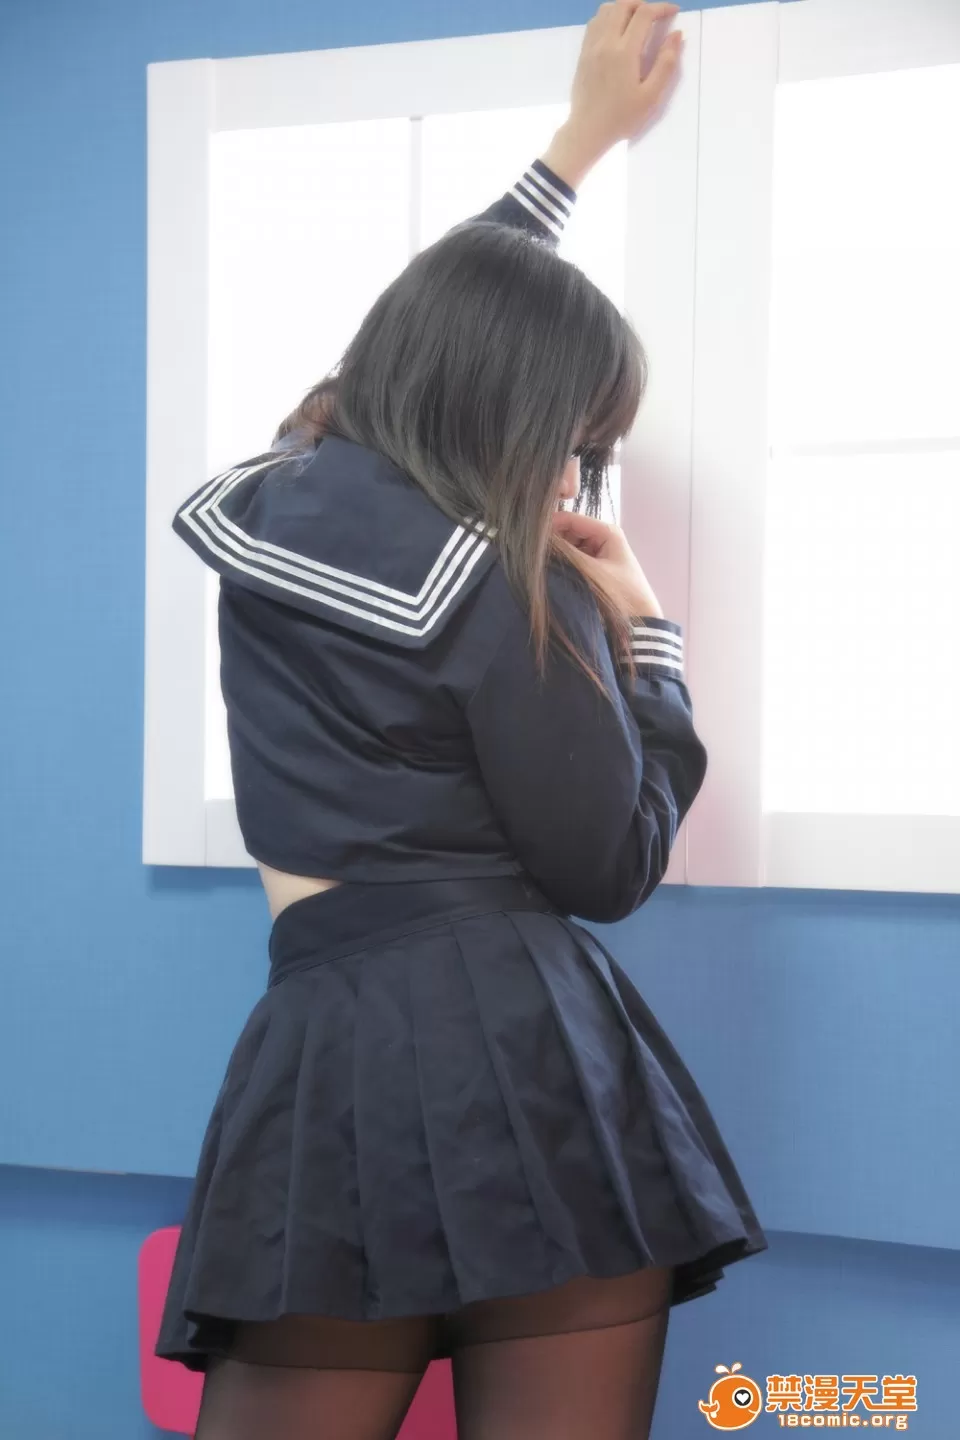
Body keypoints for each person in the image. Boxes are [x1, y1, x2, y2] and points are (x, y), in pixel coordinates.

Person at [156, 4, 769, 1436]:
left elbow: (421, 336)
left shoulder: (283, 500)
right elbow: (609, 867)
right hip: (531, 1057)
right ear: (513, 413)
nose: (571, 473)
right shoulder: (509, 590)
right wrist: (650, 642)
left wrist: (570, 156)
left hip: (327, 1049)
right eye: (575, 437)